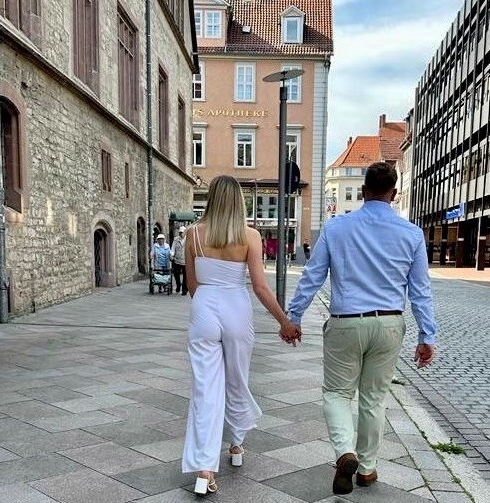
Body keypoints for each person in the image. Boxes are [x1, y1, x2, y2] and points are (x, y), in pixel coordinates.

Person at [281, 161, 437, 496]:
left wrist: (294, 317)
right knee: (374, 398)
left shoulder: (337, 228)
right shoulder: (411, 234)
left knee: (337, 393)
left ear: (364, 191)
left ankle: (344, 452)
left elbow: (313, 275)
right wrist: (427, 336)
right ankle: (366, 468)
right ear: (394, 194)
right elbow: (420, 291)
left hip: (346, 323)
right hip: (390, 322)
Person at [182, 175, 301, 495]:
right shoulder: (250, 236)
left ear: (211, 199)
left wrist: (207, 304)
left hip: (204, 306)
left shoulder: (192, 234)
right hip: (236, 306)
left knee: (205, 389)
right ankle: (235, 445)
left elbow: (192, 285)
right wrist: (284, 322)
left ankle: (204, 470)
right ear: (239, 201)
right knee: (237, 379)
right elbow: (260, 287)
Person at [171, 226, 187, 295]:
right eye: (180, 232)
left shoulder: (188, 239)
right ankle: (178, 284)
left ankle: (184, 289)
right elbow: (173, 248)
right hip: (177, 260)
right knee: (176, 274)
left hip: (186, 260)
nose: (181, 234)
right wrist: (172, 255)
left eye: (182, 232)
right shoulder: (176, 239)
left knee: (185, 276)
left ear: (185, 233)